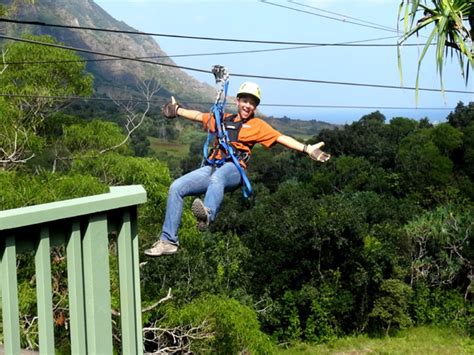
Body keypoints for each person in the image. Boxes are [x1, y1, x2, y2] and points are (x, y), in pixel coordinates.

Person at [145, 82, 330, 256]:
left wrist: (306, 149)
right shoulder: (222, 119)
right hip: (212, 166)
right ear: (238, 101)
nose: (248, 106)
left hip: (234, 169)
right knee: (176, 187)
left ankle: (207, 214)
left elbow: (281, 138)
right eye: (245, 101)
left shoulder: (257, 126)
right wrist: (177, 110)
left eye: (252, 103)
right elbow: (198, 116)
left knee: (218, 178)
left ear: (255, 107)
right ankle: (168, 241)